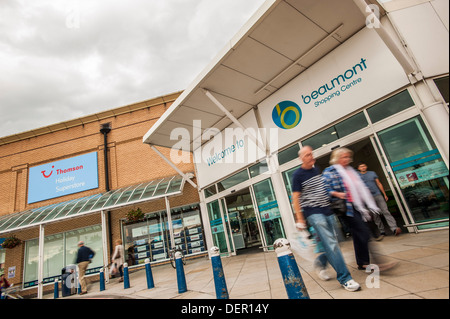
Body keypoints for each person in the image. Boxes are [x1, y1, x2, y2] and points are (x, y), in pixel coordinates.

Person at [292, 146, 360, 292]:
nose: (311, 156)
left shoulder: (317, 169)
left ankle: (321, 262)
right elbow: (296, 198)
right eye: (308, 155)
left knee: (335, 243)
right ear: (302, 158)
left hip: (327, 210)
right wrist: (300, 218)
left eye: (312, 153)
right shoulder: (298, 175)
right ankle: (345, 278)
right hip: (314, 213)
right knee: (331, 244)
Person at [323, 147, 397, 272]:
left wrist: (366, 196)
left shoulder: (351, 171)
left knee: (358, 235)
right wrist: (336, 193)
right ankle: (379, 262)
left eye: (348, 157)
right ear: (337, 158)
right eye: (344, 157)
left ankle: (362, 263)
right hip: (345, 208)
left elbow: (360, 186)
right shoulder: (330, 171)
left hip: (358, 207)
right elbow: (325, 189)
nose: (347, 159)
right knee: (364, 232)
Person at [357, 162, 402, 237]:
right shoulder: (357, 176)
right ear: (358, 168)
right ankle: (382, 231)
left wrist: (384, 194)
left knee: (385, 211)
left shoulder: (372, 173)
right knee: (375, 215)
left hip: (378, 195)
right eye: (361, 167)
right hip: (368, 198)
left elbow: (379, 183)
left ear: (366, 166)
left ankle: (394, 228)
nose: (363, 167)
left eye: (364, 166)